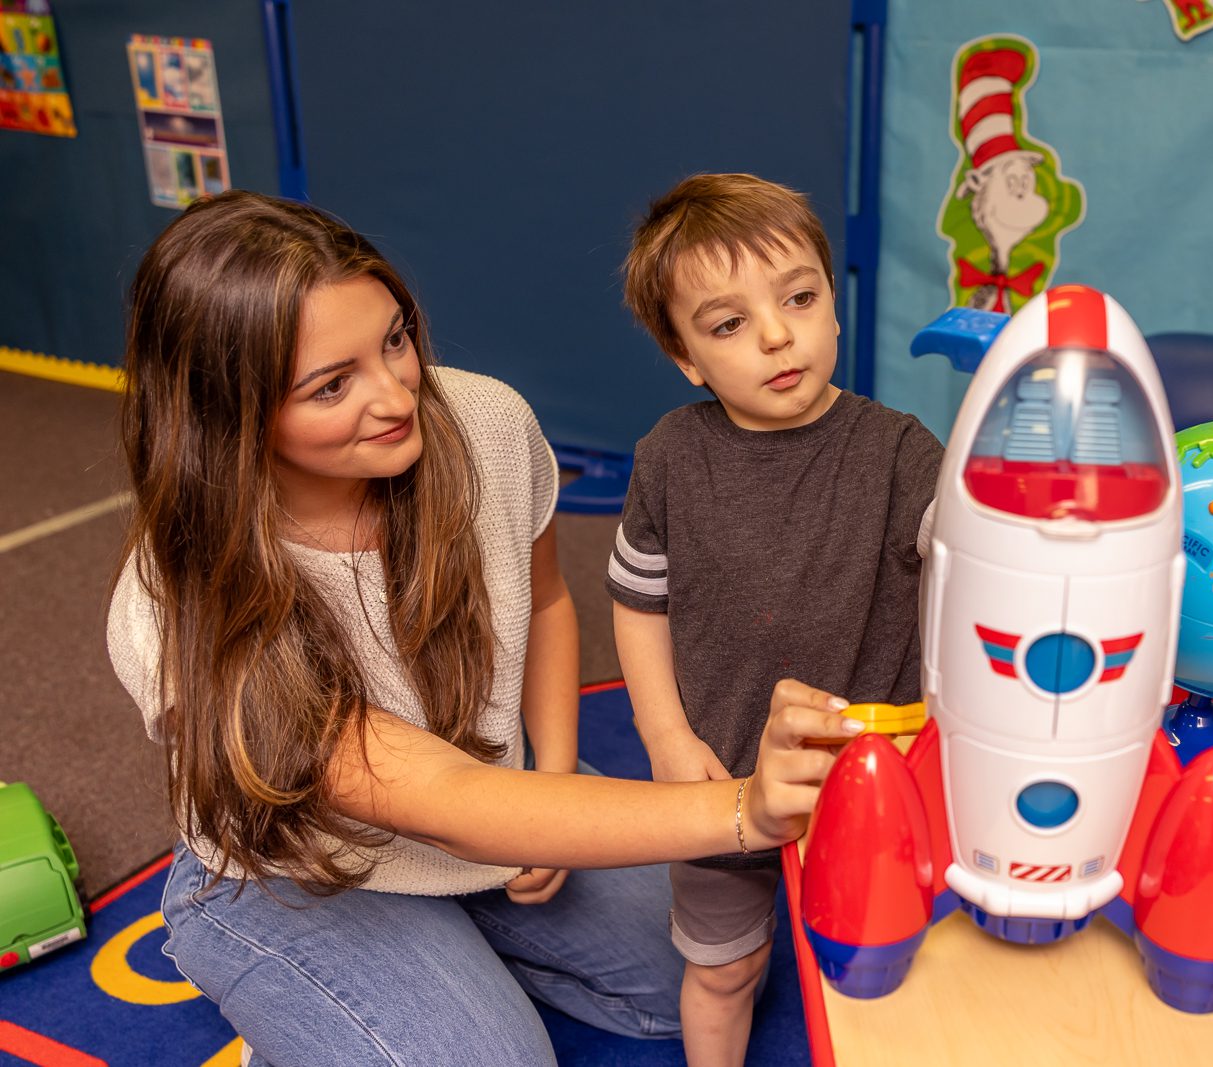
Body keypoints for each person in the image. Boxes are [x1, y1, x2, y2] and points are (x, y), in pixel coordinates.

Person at [105, 189, 863, 1067]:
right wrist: (743, 808)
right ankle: (294, 994)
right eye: (331, 384)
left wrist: (547, 765)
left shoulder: (486, 423)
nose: (396, 393)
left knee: (698, 969)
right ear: (226, 413)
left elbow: (544, 602)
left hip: (471, 810)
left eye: (394, 339)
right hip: (299, 873)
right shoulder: (177, 603)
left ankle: (442, 959)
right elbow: (443, 800)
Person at [611, 173, 944, 1066]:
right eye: (727, 324)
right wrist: (666, 738)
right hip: (720, 780)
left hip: (873, 782)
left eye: (799, 297)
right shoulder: (670, 458)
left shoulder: (902, 448)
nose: (775, 334)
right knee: (725, 969)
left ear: (834, 306)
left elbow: (973, 555)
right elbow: (638, 603)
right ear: (686, 356)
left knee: (884, 965)